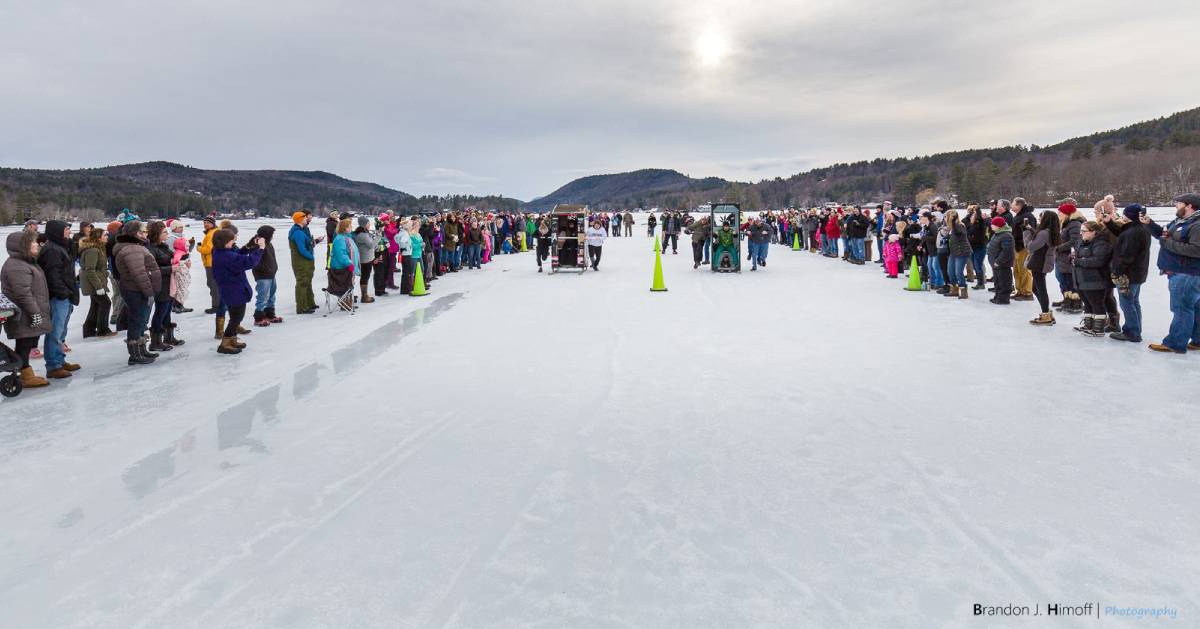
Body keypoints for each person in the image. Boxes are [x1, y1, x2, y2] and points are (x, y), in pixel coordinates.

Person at [1146, 193, 1200, 353]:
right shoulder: (1181, 221)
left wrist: (1167, 243)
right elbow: (1163, 235)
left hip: (1186, 273)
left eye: (1178, 203)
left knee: (1182, 308)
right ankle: (1197, 340)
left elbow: (1196, 249)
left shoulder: (1197, 225)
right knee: (1194, 307)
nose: (1176, 205)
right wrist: (1149, 224)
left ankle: (1175, 343)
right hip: (1178, 271)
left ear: (1189, 206)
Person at [2, 231, 53, 388]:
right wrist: (35, 313)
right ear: (23, 246)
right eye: (32, 242)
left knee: (27, 342)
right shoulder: (16, 266)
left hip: (28, 313)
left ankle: (25, 373)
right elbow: (23, 294)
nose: (37, 244)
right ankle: (24, 376)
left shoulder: (26, 263)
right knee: (24, 344)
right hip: (24, 315)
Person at [112, 221, 160, 365]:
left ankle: (141, 349)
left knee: (140, 320)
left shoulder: (134, 247)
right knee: (137, 320)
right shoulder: (132, 249)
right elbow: (139, 274)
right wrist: (149, 293)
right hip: (135, 290)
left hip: (135, 289)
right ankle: (135, 354)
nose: (146, 233)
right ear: (137, 233)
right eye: (144, 231)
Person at [37, 220, 80, 378]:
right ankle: (53, 365)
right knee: (55, 332)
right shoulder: (52, 250)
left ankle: (60, 360)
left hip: (65, 295)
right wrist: (63, 293)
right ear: (57, 231)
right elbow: (52, 276)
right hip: (58, 297)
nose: (69, 231)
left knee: (61, 331)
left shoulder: (62, 246)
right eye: (66, 229)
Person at [212, 229, 265, 354]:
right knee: (236, 318)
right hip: (234, 290)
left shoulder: (221, 252)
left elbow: (237, 255)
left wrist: (249, 246)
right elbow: (247, 262)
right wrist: (261, 248)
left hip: (230, 289)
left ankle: (232, 339)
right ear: (225, 243)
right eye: (232, 241)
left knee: (235, 316)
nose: (233, 243)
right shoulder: (226, 256)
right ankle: (225, 343)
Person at [1106, 204, 1151, 342]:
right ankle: (1136, 329)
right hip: (1138, 273)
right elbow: (1123, 234)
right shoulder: (1139, 228)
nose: (1123, 215)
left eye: (1125, 213)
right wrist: (1109, 223)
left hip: (1128, 274)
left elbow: (1126, 255)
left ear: (1130, 215)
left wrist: (1117, 272)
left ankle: (1132, 332)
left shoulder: (1133, 232)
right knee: (1134, 301)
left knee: (1127, 303)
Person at [1072, 221, 1116, 337]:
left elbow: (1098, 261)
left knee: (1097, 303)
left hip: (1096, 280)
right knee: (1087, 303)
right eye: (1081, 231)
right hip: (1082, 279)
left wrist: (1079, 261)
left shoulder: (1101, 244)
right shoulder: (1083, 243)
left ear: (1094, 232)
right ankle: (1088, 325)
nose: (1081, 233)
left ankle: (1098, 329)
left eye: (1084, 231)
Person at [146, 221, 179, 353]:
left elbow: (172, 258)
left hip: (169, 282)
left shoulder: (163, 246)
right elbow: (152, 270)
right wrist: (171, 268)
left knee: (167, 310)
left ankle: (168, 337)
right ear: (157, 234)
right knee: (161, 311)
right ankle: (155, 341)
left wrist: (183, 261)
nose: (167, 234)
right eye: (164, 232)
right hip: (160, 284)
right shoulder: (150, 249)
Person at [78, 229, 116, 339]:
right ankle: (102, 330)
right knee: (105, 303)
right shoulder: (93, 250)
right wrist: (98, 287)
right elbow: (90, 269)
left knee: (95, 305)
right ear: (98, 237)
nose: (107, 237)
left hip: (96, 281)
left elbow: (97, 267)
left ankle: (89, 330)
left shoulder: (98, 248)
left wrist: (105, 272)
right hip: (94, 283)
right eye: (105, 235)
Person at [1024, 211, 1060, 326]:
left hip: (1040, 263)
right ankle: (1047, 312)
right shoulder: (1051, 231)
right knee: (1035, 288)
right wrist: (1031, 230)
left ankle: (1046, 315)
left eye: (1041, 217)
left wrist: (1026, 233)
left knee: (1040, 288)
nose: (1039, 219)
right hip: (1043, 262)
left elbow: (1031, 247)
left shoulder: (1044, 233)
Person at [1054, 202, 1084, 313]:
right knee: (1062, 279)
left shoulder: (1074, 223)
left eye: (1060, 213)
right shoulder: (1066, 223)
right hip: (1062, 257)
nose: (1058, 215)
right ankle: (1067, 300)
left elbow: (1075, 241)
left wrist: (1058, 247)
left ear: (1066, 214)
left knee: (1069, 280)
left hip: (1068, 257)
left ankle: (1075, 302)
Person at [248, 225, 281, 326]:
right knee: (262, 297)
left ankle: (269, 314)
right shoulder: (257, 245)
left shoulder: (268, 243)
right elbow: (255, 261)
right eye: (271, 234)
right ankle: (258, 318)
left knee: (271, 296)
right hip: (263, 275)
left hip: (271, 274)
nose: (272, 236)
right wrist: (264, 270)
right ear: (266, 234)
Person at [289, 212, 319, 314]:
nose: (307, 219)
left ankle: (310, 303)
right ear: (300, 219)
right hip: (301, 261)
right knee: (302, 282)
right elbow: (301, 249)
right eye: (305, 217)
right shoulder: (297, 233)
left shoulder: (301, 231)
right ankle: (302, 307)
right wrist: (311, 257)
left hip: (304, 261)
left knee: (307, 281)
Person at [328, 217, 359, 310]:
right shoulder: (340, 239)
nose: (351, 228)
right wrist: (349, 263)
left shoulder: (345, 237)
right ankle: (345, 304)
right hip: (341, 268)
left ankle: (347, 303)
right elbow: (341, 254)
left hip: (346, 266)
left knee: (349, 284)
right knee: (345, 285)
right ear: (345, 228)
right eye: (350, 226)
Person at [1011, 198, 1037, 300]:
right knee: (1017, 270)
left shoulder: (1027, 216)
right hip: (1016, 246)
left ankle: (1027, 292)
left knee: (1025, 270)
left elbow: (1031, 231)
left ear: (1019, 205)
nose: (1011, 205)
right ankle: (1020, 290)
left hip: (1024, 247)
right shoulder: (1018, 216)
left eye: (1013, 203)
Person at [195, 215, 220, 314]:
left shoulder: (211, 233)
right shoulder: (212, 232)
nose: (205, 225)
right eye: (204, 223)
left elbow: (208, 249)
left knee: (213, 285)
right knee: (213, 284)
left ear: (213, 224)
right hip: (212, 262)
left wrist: (198, 248)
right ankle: (220, 303)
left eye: (208, 223)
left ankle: (216, 306)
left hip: (211, 263)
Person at [987, 216, 1014, 305]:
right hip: (995, 263)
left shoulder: (1006, 235)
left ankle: (1003, 299)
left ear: (998, 226)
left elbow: (1007, 251)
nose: (991, 226)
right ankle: (998, 296)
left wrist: (998, 261)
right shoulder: (997, 233)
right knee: (998, 281)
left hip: (1002, 264)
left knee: (1004, 282)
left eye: (993, 224)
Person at [945, 209, 971, 299]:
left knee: (958, 272)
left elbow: (960, 232)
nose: (945, 219)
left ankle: (964, 291)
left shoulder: (960, 225)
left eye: (946, 217)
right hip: (953, 252)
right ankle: (954, 289)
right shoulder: (951, 228)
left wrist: (953, 222)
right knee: (950, 272)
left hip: (962, 252)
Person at [353, 216, 378, 304]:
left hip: (367, 258)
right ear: (364, 225)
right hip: (365, 260)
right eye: (368, 223)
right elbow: (371, 245)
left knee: (365, 277)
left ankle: (365, 295)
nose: (369, 224)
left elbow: (372, 245)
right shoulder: (362, 235)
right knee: (365, 277)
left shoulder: (364, 233)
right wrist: (378, 237)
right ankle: (364, 296)